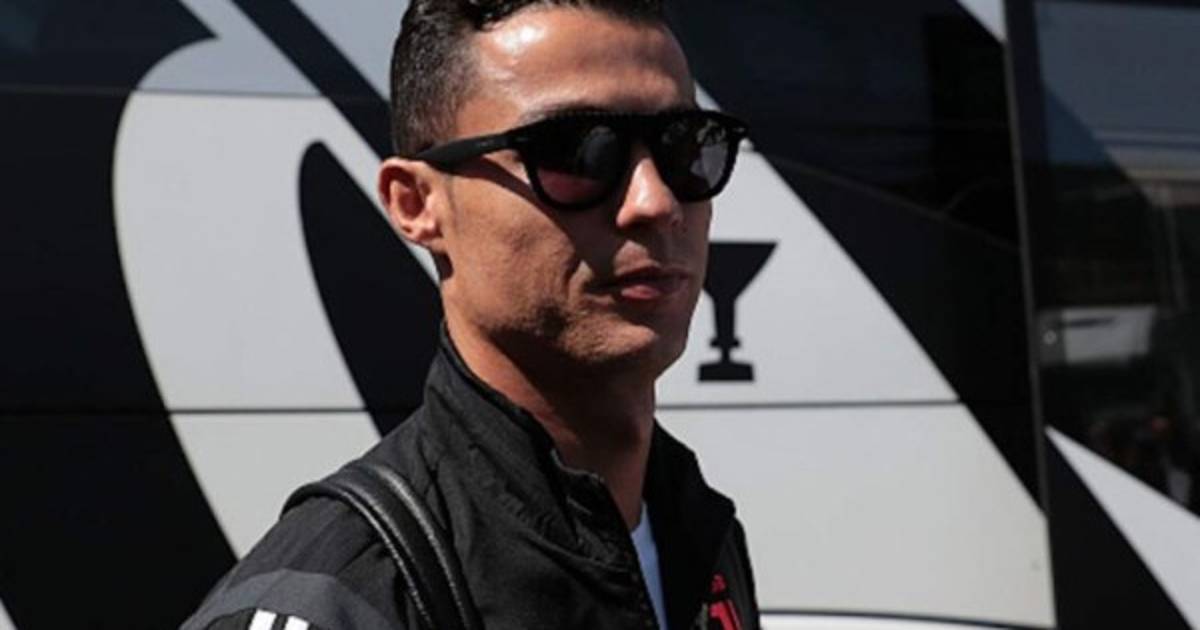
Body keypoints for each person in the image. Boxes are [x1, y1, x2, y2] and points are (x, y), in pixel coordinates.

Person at [181, 0, 757, 628]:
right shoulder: (341, 596)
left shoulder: (695, 527)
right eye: (576, 153)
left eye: (685, 146)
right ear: (416, 204)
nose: (656, 202)